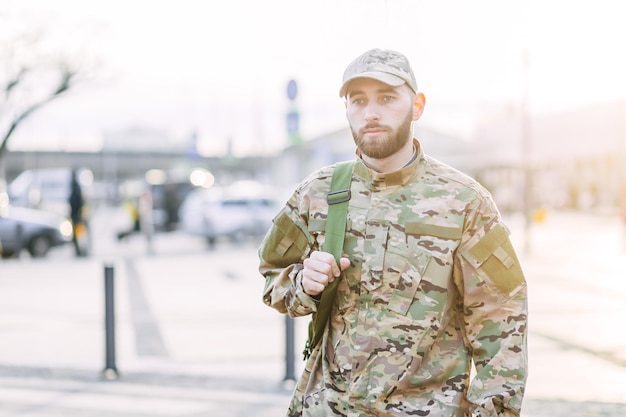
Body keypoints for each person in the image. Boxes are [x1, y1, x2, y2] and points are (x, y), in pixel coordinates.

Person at [258, 48, 528, 417]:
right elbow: (272, 277)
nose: (371, 112)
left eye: (386, 98)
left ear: (417, 106)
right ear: (347, 110)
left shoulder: (464, 201)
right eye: (359, 101)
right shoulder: (317, 193)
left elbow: (502, 317)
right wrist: (303, 284)